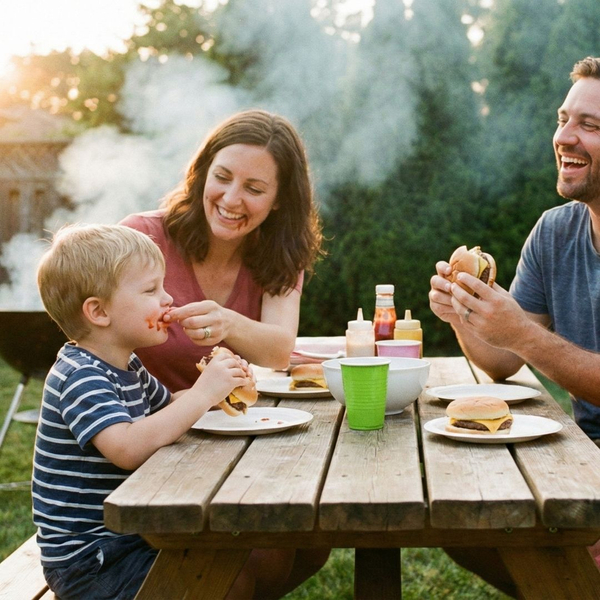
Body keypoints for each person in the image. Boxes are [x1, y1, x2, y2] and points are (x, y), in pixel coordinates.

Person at [32, 224, 314, 599]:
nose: (168, 299)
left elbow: (170, 407)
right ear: (98, 312)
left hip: (132, 536)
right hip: (93, 561)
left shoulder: (126, 365)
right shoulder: (80, 375)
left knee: (259, 560)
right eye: (151, 290)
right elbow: (127, 449)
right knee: (230, 584)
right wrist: (203, 393)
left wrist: (219, 388)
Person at [429, 56, 600, 597]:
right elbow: (503, 362)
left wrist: (522, 333)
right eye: (562, 118)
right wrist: (465, 312)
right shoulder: (555, 231)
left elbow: (522, 340)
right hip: (585, 454)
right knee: (460, 518)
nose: (565, 137)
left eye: (590, 126)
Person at [120, 109, 323, 393]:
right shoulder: (142, 235)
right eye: (222, 177)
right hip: (138, 426)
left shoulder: (281, 251)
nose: (231, 199)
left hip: (232, 430)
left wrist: (227, 323)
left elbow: (278, 352)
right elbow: (96, 336)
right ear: (203, 173)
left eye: (253, 189)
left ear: (279, 200)